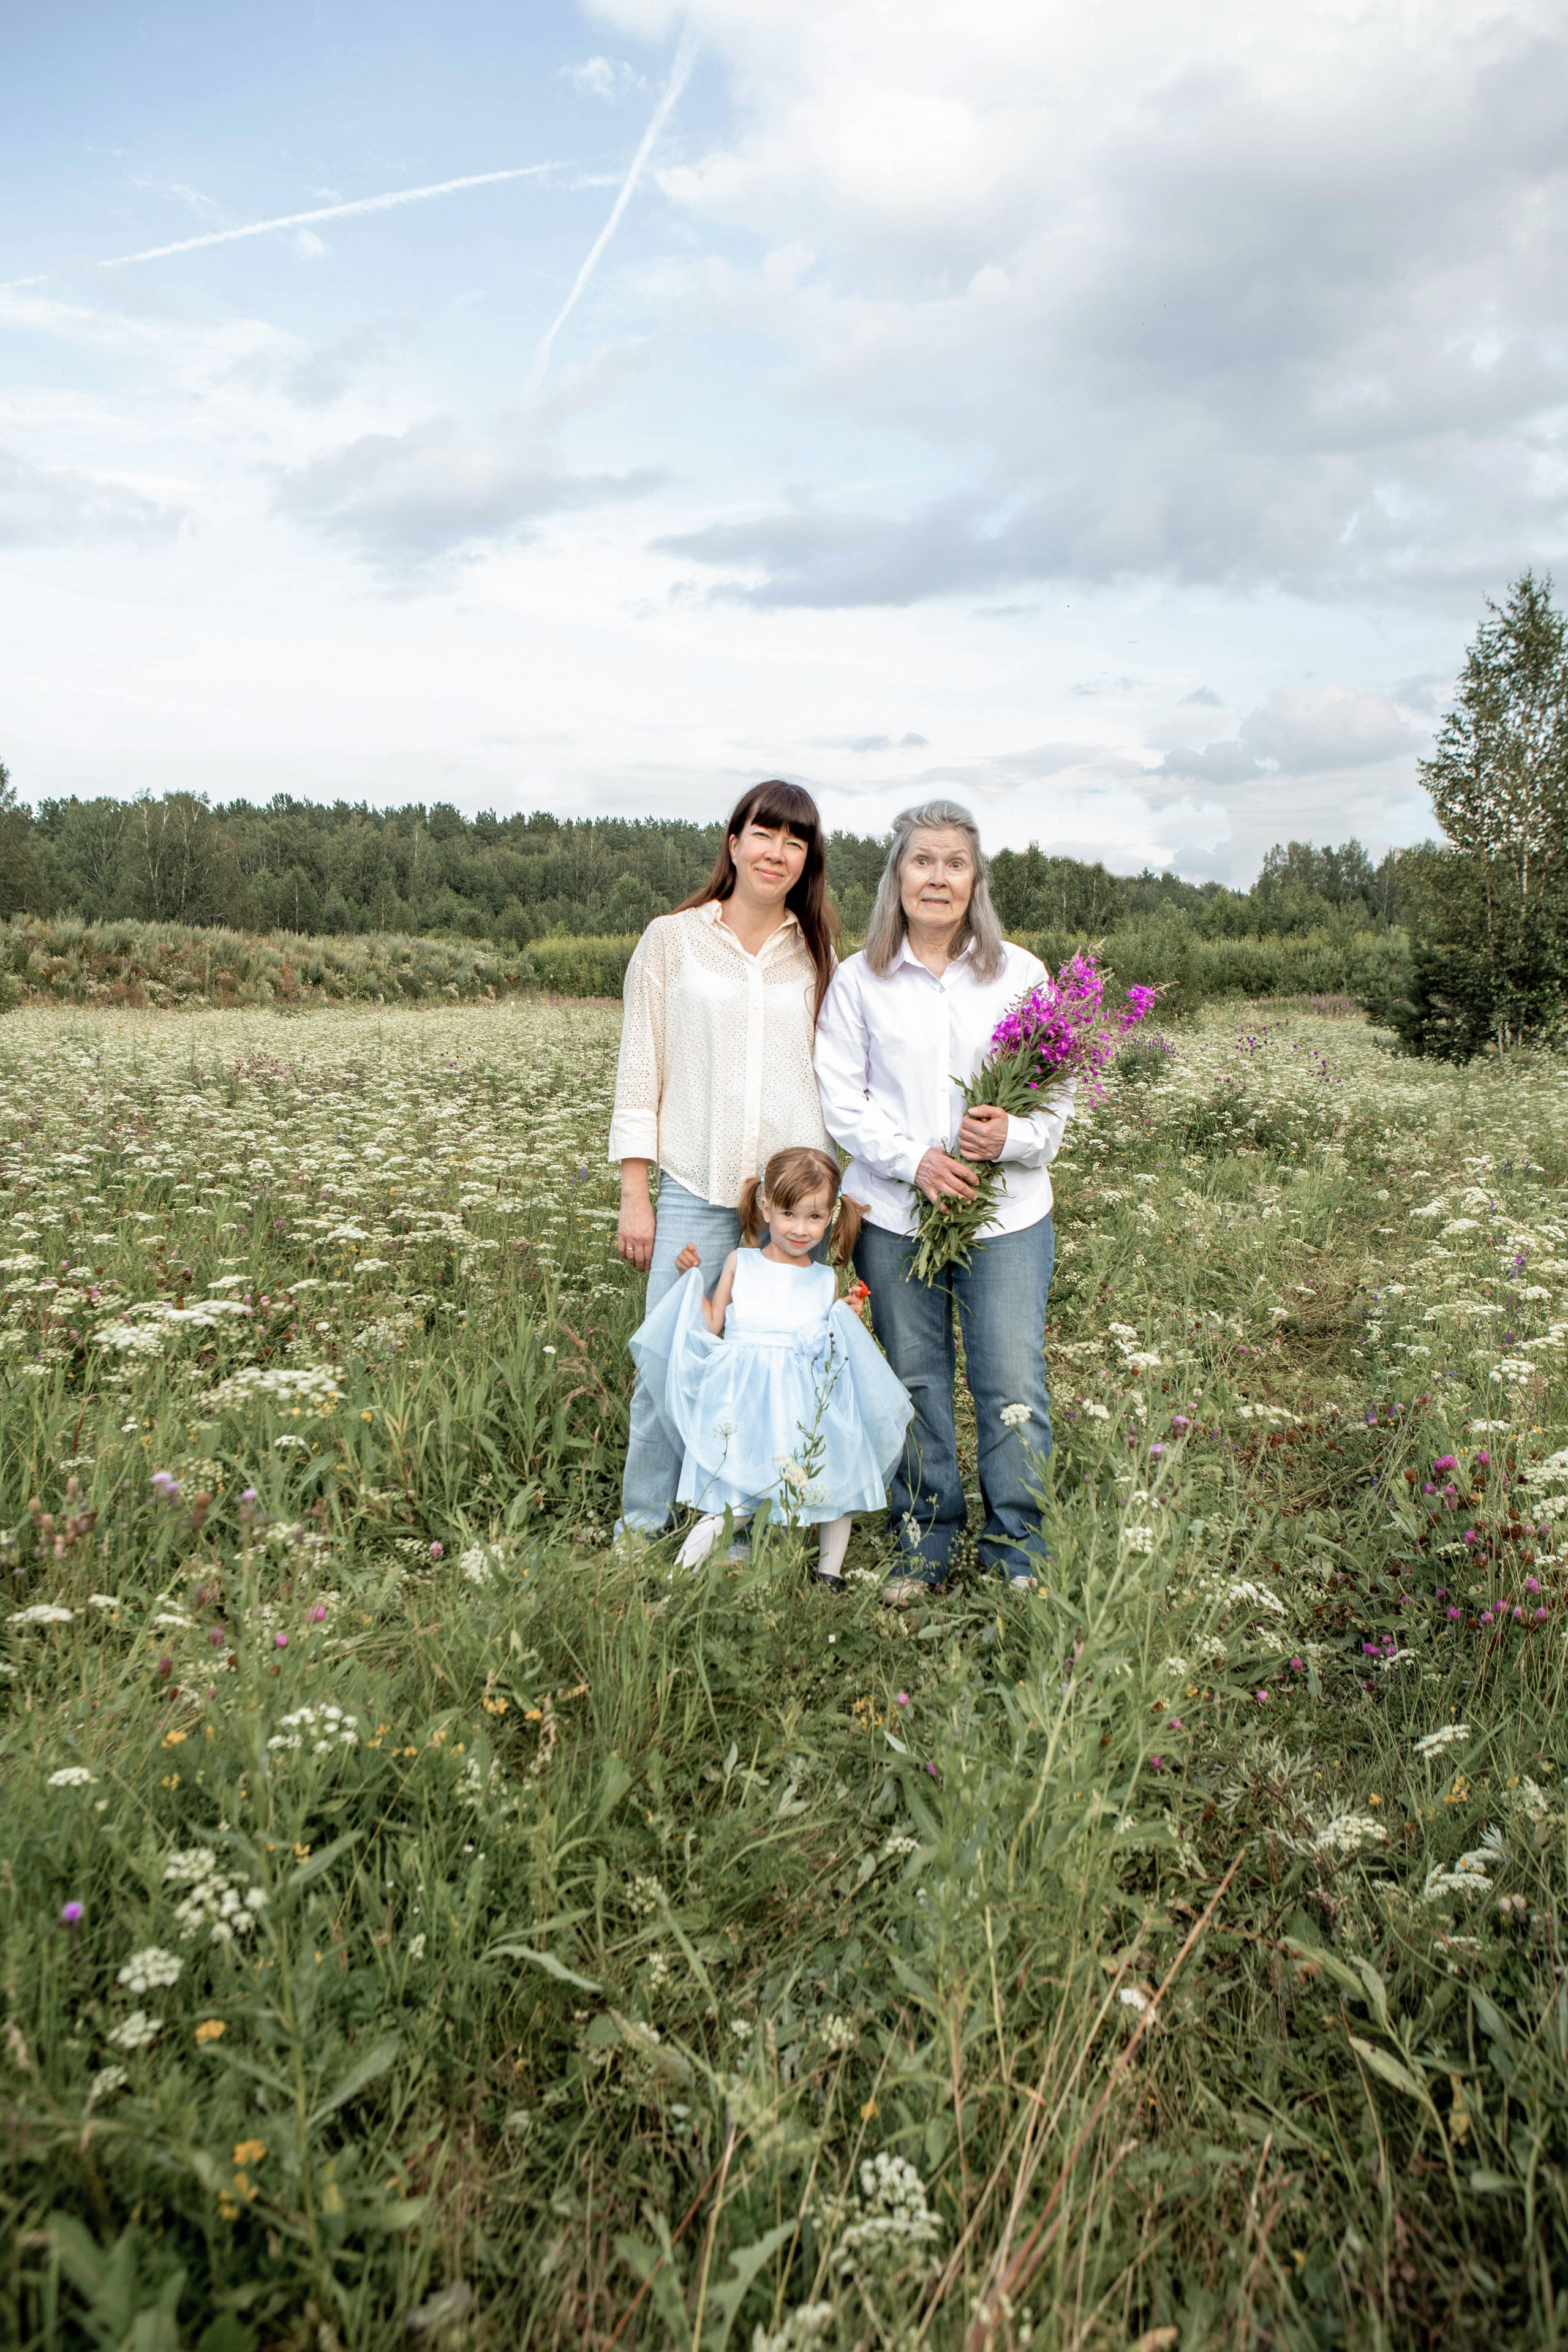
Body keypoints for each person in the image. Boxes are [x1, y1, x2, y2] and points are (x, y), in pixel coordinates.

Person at [813, 798, 1076, 1603]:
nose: (937, 876)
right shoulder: (860, 979)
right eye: (921, 860)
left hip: (1005, 1217)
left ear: (975, 879)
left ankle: (1016, 1548)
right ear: (897, 875)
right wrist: (915, 1162)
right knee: (915, 1381)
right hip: (894, 1218)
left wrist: (1012, 1138)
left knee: (1011, 1382)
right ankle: (925, 1539)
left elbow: (1058, 1101)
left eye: (953, 863)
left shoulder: (1024, 975)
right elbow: (841, 1101)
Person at [609, 782, 838, 1539]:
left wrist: (835, 1201)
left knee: (767, 1375)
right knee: (668, 1365)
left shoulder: (817, 955)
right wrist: (635, 1194)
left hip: (786, 1208)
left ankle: (745, 1535)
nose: (777, 852)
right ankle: (640, 1531)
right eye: (764, 834)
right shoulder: (672, 940)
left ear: (806, 862)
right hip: (693, 1187)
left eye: (795, 842)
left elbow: (836, 1078)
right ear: (734, 842)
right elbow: (640, 1068)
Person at [626, 1147, 913, 1586]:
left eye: (815, 1218)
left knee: (837, 1485)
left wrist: (845, 1313)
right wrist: (690, 1281)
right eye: (789, 1215)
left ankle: (829, 1578)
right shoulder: (742, 1263)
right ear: (765, 1207)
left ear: (831, 1216)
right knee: (734, 1500)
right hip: (747, 1402)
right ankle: (676, 1578)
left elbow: (827, 1340)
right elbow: (713, 1322)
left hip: (805, 1405)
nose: (800, 1229)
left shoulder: (824, 1279)